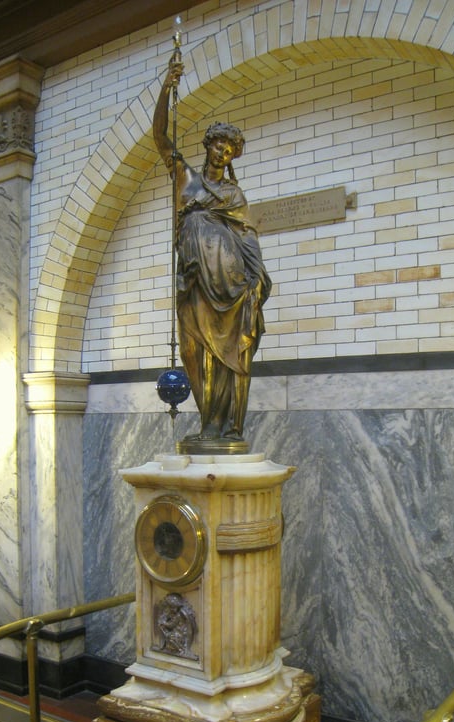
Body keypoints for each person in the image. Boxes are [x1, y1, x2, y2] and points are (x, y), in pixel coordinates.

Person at [153, 57, 271, 448]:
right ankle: (207, 419)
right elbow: (160, 138)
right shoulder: (185, 178)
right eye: (219, 144)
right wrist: (167, 88)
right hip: (193, 281)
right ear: (208, 146)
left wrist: (257, 280)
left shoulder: (234, 194)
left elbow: (248, 237)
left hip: (230, 284)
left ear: (232, 156)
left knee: (228, 357)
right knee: (193, 352)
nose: (223, 152)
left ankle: (221, 428)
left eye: (230, 149)